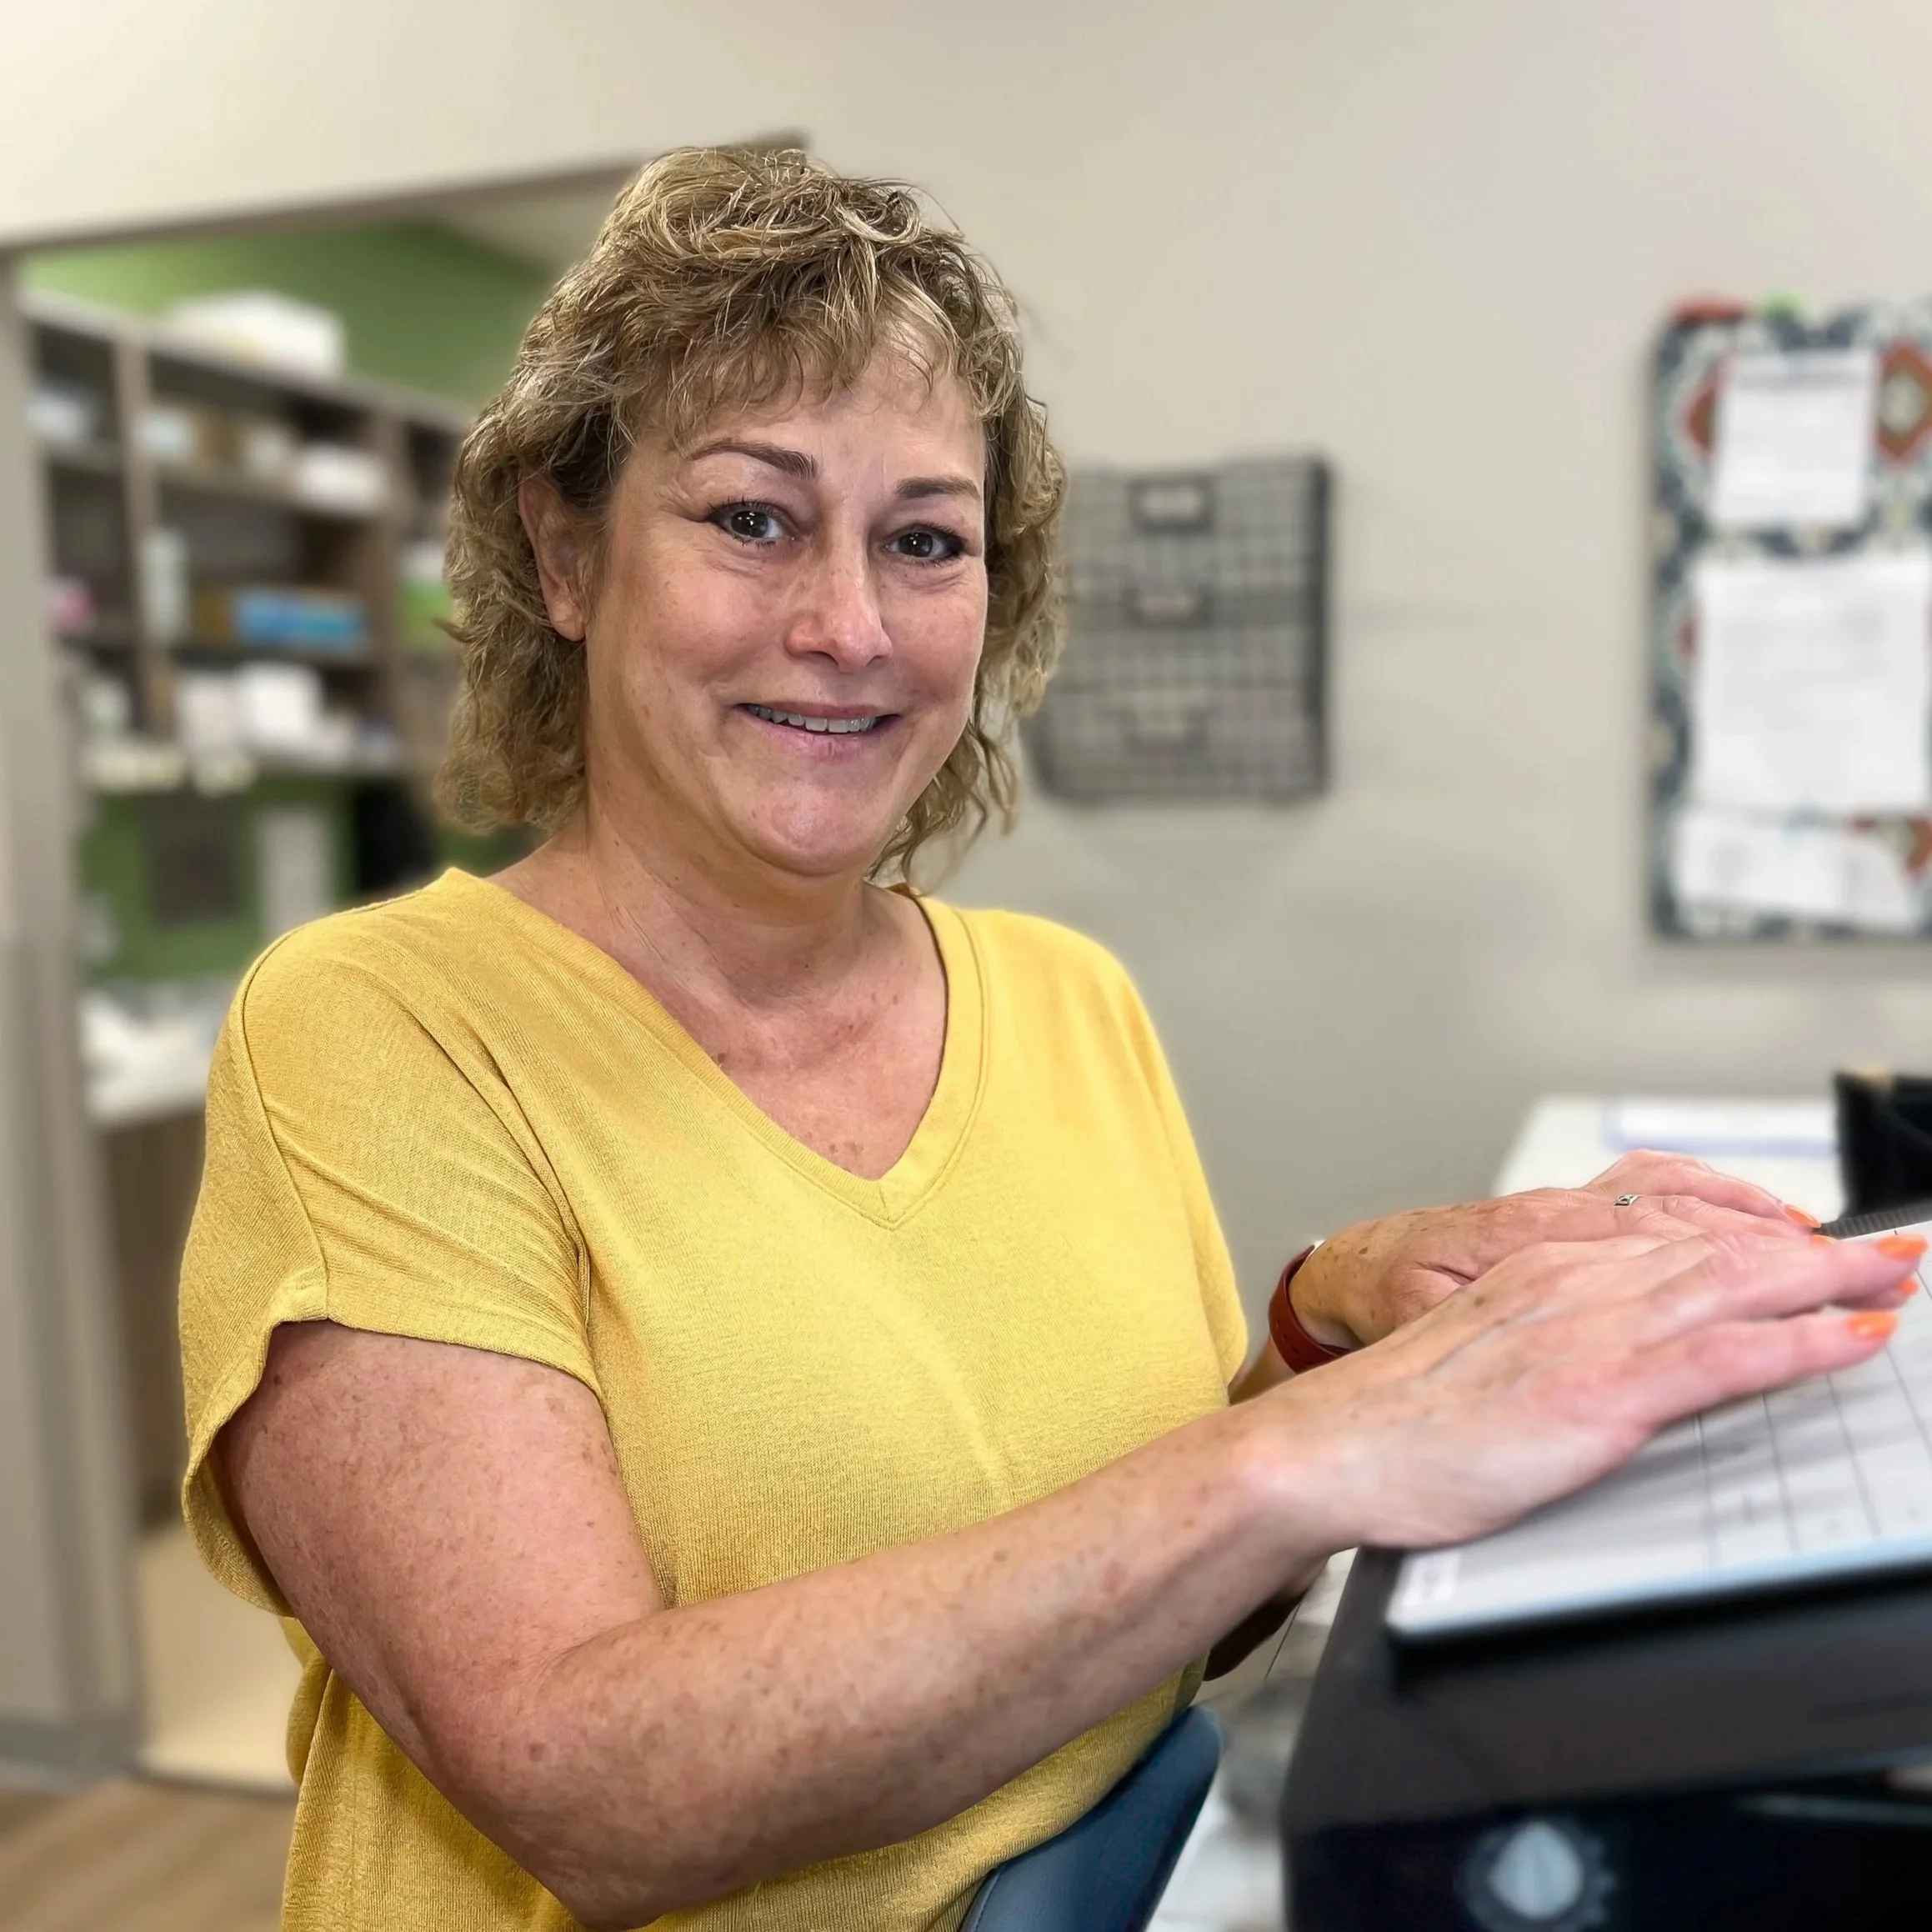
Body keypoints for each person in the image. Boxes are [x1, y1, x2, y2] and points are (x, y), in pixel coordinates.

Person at [177, 148, 1916, 1932]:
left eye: (923, 540)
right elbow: (591, 1783)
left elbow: (1170, 1595)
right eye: (752, 517)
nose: (847, 624)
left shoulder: (1064, 998)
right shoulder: (380, 1032)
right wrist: (1315, 1447)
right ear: (563, 549)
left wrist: (1330, 1319)